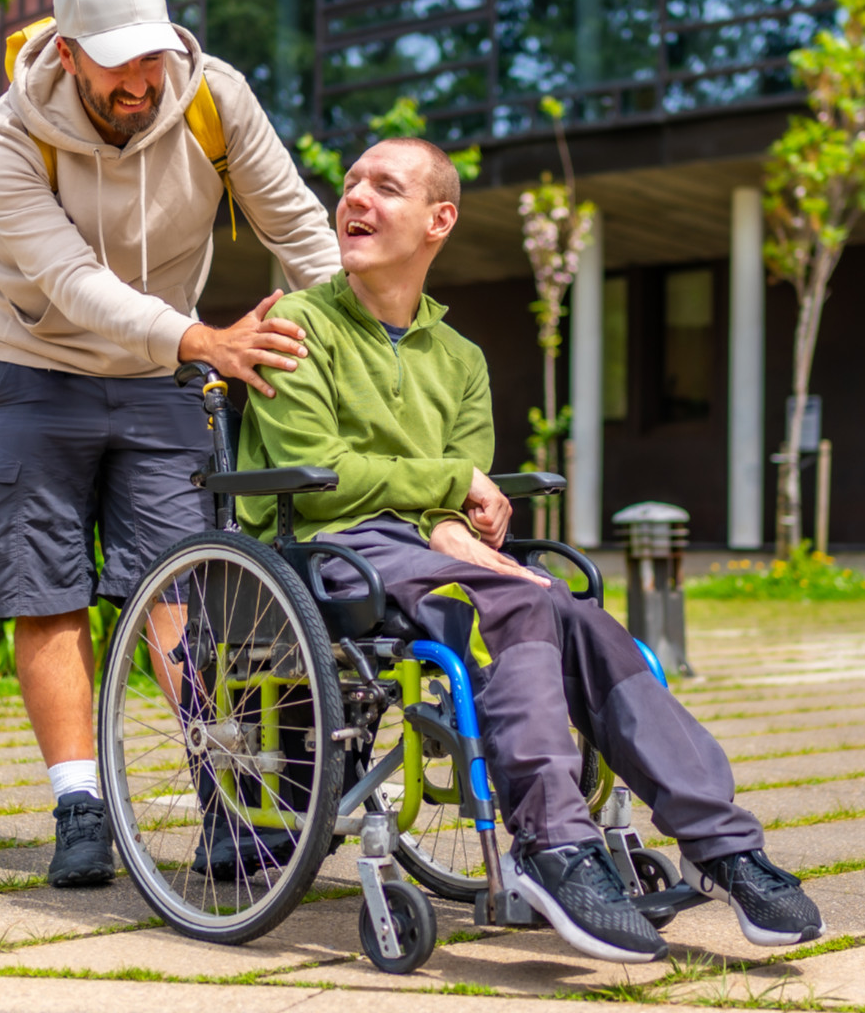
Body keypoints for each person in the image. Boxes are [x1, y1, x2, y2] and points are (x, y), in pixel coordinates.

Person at [236, 137, 825, 964]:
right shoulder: (298, 325)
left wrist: (452, 522)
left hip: (421, 551)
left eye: (386, 187)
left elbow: (463, 499)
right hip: (334, 548)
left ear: (440, 220)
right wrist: (445, 499)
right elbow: (321, 479)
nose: (356, 199)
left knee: (572, 609)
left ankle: (722, 843)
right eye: (352, 184)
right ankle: (551, 843)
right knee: (510, 600)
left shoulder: (461, 359)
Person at [0, 0, 341, 888]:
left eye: (151, 60)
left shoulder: (214, 98)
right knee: (44, 584)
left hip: (164, 371)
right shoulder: (7, 135)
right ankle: (79, 804)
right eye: (116, 64)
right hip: (32, 360)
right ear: (68, 52)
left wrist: (370, 348)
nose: (139, 83)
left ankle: (226, 791)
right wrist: (202, 338)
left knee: (185, 585)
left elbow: (297, 229)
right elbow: (69, 282)